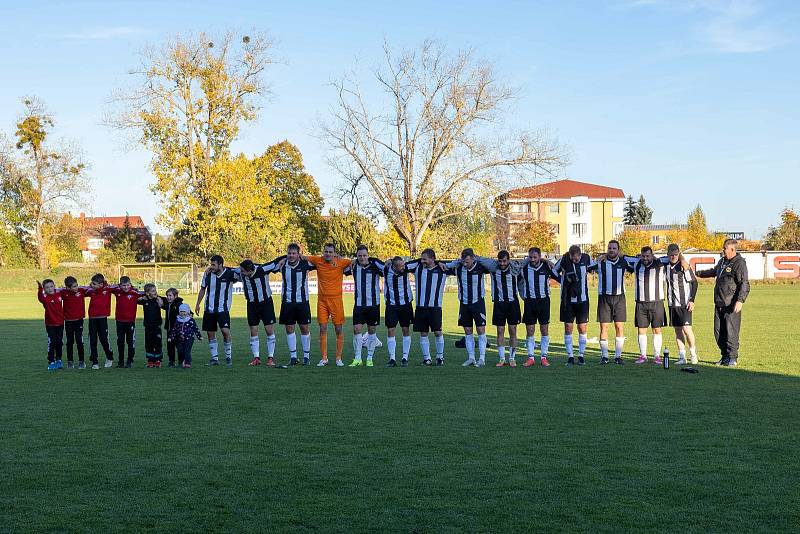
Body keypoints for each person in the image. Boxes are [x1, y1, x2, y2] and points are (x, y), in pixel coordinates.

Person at [696, 239, 750, 366]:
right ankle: (724, 356)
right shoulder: (722, 261)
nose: (723, 250)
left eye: (725, 248)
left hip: (731, 304)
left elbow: (744, 283)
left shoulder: (739, 263)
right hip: (719, 302)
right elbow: (713, 271)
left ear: (732, 249)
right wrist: (697, 273)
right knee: (718, 331)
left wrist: (740, 301)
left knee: (731, 331)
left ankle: (732, 358)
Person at [442, 248, 492, 367]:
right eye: (463, 262)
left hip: (478, 303)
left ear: (473, 259)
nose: (465, 264)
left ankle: (482, 359)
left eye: (467, 262)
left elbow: (493, 264)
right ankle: (471, 358)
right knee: (468, 331)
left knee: (481, 331)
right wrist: (456, 262)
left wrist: (479, 258)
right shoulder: (458, 268)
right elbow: (443, 266)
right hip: (464, 303)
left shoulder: (480, 268)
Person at [304, 243, 351, 366]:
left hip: (336, 301)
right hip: (322, 301)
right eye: (326, 251)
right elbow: (302, 257)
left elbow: (354, 261)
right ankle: (324, 358)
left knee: (338, 328)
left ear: (334, 253)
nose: (328, 254)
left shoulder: (341, 262)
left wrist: (340, 256)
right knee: (322, 328)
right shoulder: (317, 260)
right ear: (323, 252)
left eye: (330, 252)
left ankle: (338, 358)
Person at [475, 250, 524, 367]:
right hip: (499, 304)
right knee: (500, 331)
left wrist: (544, 260)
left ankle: (512, 358)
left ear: (509, 260)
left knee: (513, 331)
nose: (502, 263)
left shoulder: (515, 267)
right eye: (500, 261)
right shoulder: (493, 266)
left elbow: (527, 261)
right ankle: (502, 358)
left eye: (504, 261)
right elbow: (479, 258)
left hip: (513, 303)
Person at [591, 240, 635, 365]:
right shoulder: (601, 262)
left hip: (619, 298)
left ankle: (618, 356)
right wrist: (597, 258)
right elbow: (586, 266)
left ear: (618, 250)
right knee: (604, 327)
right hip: (604, 298)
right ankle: (604, 356)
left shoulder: (623, 261)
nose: (611, 250)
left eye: (614, 248)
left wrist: (625, 256)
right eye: (609, 248)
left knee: (619, 327)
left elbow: (636, 263)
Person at [553, 245, 595, 365]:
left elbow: (594, 268)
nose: (574, 261)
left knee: (582, 327)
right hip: (567, 300)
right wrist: (563, 280)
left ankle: (581, 355)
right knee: (568, 327)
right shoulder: (564, 259)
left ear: (580, 255)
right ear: (570, 255)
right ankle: (570, 356)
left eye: (576, 259)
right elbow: (554, 271)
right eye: (573, 259)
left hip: (582, 299)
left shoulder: (587, 258)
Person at [275, 244, 316, 365]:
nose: (291, 256)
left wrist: (306, 257)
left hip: (302, 302)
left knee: (304, 328)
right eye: (289, 253)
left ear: (298, 254)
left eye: (294, 253)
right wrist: (282, 258)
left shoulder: (305, 264)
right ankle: (293, 357)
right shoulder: (282, 265)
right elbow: (269, 266)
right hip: (287, 302)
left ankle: (306, 357)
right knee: (289, 328)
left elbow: (319, 262)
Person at [408, 249, 450, 366]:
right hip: (421, 307)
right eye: (421, 259)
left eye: (425, 259)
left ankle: (440, 357)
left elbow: (457, 263)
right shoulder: (418, 267)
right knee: (423, 333)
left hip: (435, 307)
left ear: (432, 259)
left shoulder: (442, 269)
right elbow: (404, 265)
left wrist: (440, 262)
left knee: (437, 332)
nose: (422, 261)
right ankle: (427, 359)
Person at [235, 258, 281, 367]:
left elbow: (274, 262)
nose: (240, 273)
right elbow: (229, 270)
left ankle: (270, 358)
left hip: (266, 303)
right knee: (253, 330)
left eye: (243, 271)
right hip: (251, 304)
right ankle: (256, 358)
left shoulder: (262, 269)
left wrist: (287, 258)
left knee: (269, 330)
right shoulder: (242, 272)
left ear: (249, 271)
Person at [519, 247, 559, 367]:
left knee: (544, 329)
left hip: (544, 302)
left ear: (540, 256)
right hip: (529, 302)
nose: (532, 259)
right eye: (530, 257)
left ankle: (543, 357)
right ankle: (531, 357)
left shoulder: (547, 267)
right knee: (530, 330)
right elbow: (516, 279)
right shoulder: (524, 268)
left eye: (535, 257)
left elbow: (558, 277)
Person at [344, 245, 383, 367]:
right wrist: (350, 262)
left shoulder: (375, 265)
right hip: (359, 304)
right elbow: (341, 267)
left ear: (368, 255)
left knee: (372, 331)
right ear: (357, 256)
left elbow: (388, 267)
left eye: (364, 255)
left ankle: (370, 358)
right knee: (356, 330)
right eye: (359, 255)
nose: (362, 257)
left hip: (373, 305)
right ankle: (357, 358)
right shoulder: (354, 266)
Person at [195, 255, 237, 367]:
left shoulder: (230, 274)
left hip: (223, 309)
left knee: (225, 331)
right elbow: (203, 289)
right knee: (210, 333)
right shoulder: (208, 274)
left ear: (221, 265)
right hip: (209, 309)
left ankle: (228, 356)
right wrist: (198, 304)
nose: (211, 267)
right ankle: (214, 358)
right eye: (211, 264)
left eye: (214, 265)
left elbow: (243, 274)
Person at [631, 246, 668, 365]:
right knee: (641, 330)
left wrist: (682, 259)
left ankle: (657, 356)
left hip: (657, 302)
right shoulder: (636, 264)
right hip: (641, 303)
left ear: (652, 255)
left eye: (648, 256)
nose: (645, 258)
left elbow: (674, 256)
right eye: (643, 256)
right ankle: (643, 355)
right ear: (640, 255)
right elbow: (622, 256)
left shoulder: (659, 263)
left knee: (656, 329)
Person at [664, 244, 699, 365]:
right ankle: (682, 356)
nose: (673, 256)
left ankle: (693, 354)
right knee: (678, 330)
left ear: (679, 254)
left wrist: (692, 300)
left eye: (676, 254)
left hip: (685, 304)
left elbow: (694, 283)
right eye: (671, 254)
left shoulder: (683, 266)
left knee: (687, 329)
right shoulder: (665, 264)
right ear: (667, 254)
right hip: (672, 304)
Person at [379, 256, 415, 367]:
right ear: (394, 267)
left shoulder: (406, 268)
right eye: (401, 266)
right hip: (391, 306)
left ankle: (405, 358)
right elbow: (373, 261)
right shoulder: (385, 269)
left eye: (404, 265)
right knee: (391, 330)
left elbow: (419, 262)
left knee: (405, 329)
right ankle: (392, 359)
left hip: (405, 305)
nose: (403, 268)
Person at [86, 273, 115, 369]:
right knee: (92, 340)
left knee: (104, 339)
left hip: (102, 319)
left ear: (101, 284)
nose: (91, 285)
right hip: (92, 319)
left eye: (94, 284)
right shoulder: (90, 291)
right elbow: (79, 290)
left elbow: (120, 287)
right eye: (91, 283)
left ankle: (109, 357)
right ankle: (94, 361)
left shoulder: (108, 289)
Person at [112, 276, 141, 368]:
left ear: (130, 284)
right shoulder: (117, 292)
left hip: (130, 322)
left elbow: (147, 293)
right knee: (120, 341)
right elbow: (108, 287)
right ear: (120, 285)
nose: (126, 287)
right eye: (123, 285)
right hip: (119, 321)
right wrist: (116, 286)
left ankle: (129, 361)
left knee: (130, 341)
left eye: (128, 285)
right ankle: (121, 362)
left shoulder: (134, 293)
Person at [61, 276, 88, 369]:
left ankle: (81, 361)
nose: (76, 288)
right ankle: (70, 361)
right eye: (73, 286)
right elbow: (54, 292)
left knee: (79, 341)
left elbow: (92, 289)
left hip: (79, 321)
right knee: (69, 342)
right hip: (68, 321)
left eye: (76, 285)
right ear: (68, 288)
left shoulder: (81, 291)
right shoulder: (63, 293)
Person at [37, 279, 64, 371]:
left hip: (60, 323)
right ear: (44, 289)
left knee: (59, 342)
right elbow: (40, 296)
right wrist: (40, 288)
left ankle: (59, 359)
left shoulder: (59, 294)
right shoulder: (45, 298)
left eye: (51, 286)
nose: (50, 289)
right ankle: (51, 361)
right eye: (47, 287)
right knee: (52, 342)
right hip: (50, 324)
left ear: (54, 286)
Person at [168, 303, 202, 369]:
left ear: (188, 312)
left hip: (189, 338)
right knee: (180, 350)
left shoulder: (190, 320)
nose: (182, 313)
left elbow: (195, 328)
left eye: (184, 312)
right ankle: (182, 361)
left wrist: (199, 336)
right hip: (180, 339)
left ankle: (187, 363)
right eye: (181, 311)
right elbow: (174, 329)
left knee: (187, 350)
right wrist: (170, 337)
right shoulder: (178, 320)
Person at [138, 283, 164, 368]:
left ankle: (158, 360)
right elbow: (136, 299)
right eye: (153, 291)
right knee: (149, 343)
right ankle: (150, 360)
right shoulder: (144, 301)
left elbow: (163, 303)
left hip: (157, 326)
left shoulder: (158, 300)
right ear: (147, 293)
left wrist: (159, 300)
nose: (155, 292)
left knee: (157, 343)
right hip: (148, 326)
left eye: (155, 290)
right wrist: (143, 295)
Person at [160, 288, 184, 367]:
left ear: (175, 296)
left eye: (170, 295)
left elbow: (187, 312)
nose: (168, 297)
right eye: (167, 295)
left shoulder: (179, 305)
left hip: (178, 331)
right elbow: (163, 303)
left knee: (180, 346)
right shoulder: (168, 305)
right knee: (170, 346)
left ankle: (181, 361)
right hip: (169, 330)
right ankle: (171, 361)